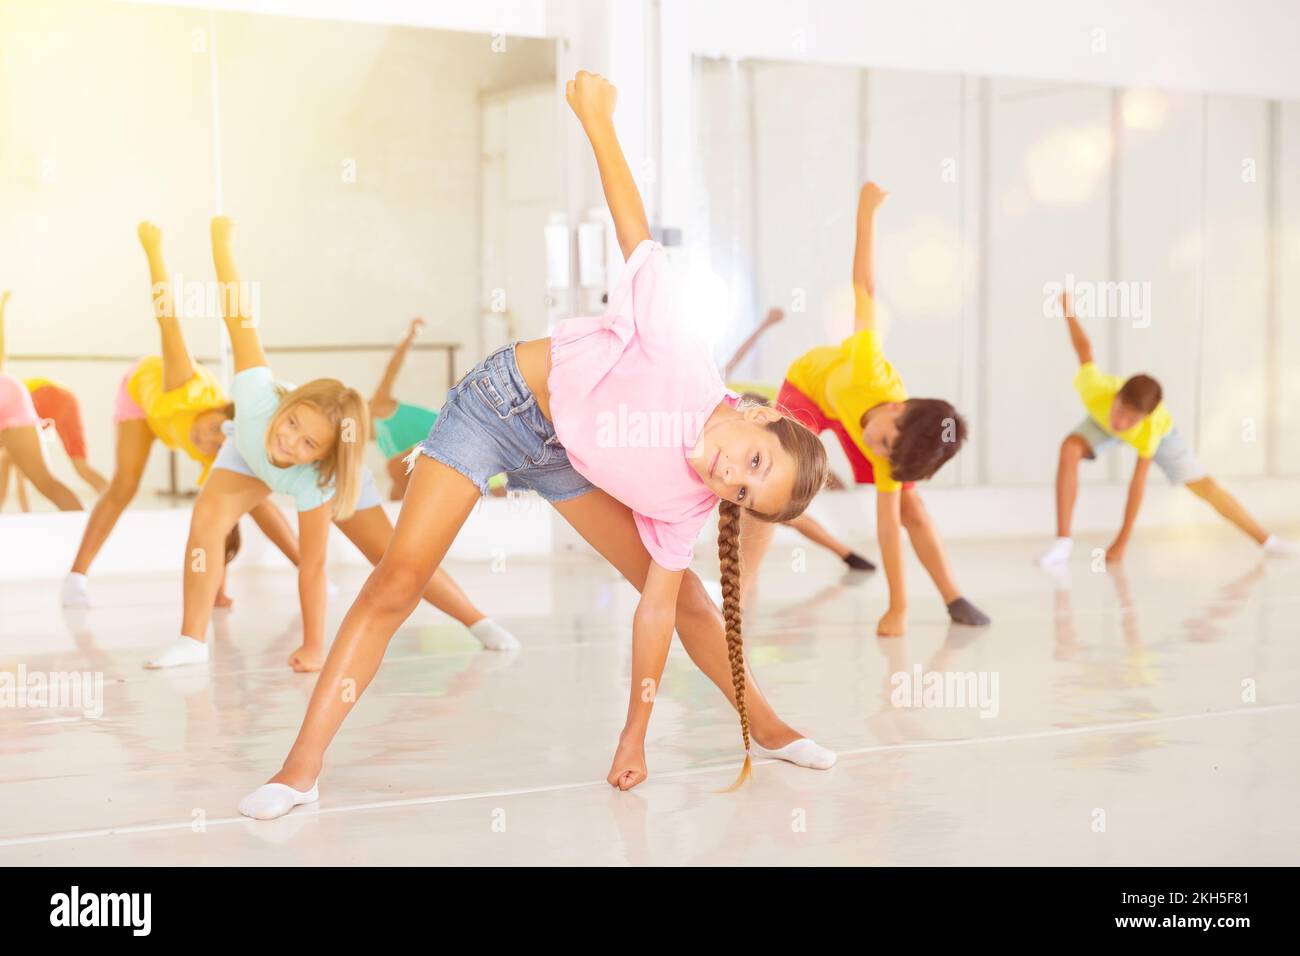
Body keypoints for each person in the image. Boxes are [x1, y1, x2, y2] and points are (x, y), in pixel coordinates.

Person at [237, 70, 835, 820]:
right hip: (496, 407)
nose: (731, 477)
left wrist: (635, 735)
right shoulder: (680, 350)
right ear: (755, 412)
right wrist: (597, 119)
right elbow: (635, 237)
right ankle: (299, 769)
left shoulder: (691, 503)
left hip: (561, 457)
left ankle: (768, 728)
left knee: (683, 599)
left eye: (747, 493)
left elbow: (653, 617)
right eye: (753, 460)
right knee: (397, 579)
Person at [143, 216, 518, 672]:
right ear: (286, 404)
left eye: (306, 443)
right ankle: (191, 640)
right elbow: (237, 315)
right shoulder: (257, 394)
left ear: (321, 456)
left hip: (328, 480)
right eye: (292, 422)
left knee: (394, 559)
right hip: (244, 455)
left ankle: (477, 621)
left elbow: (312, 568)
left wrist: (315, 647)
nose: (289, 440)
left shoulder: (318, 478)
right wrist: (221, 245)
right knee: (206, 520)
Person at [1037, 290, 1298, 566]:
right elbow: (1083, 346)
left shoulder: (1151, 427)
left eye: (1130, 419)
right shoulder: (1097, 389)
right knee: (1070, 447)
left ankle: (1267, 541)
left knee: (1205, 486)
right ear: (1116, 397)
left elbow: (1137, 486)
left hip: (1162, 435)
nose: (1121, 423)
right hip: (1097, 423)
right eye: (1120, 412)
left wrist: (1121, 542)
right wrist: (1068, 310)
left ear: (1143, 417)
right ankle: (1062, 543)